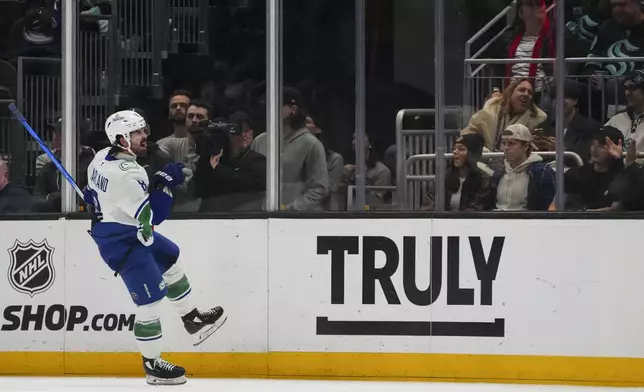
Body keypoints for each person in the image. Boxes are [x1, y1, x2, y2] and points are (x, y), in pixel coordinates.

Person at [83, 110, 226, 385]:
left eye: (143, 130)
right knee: (150, 302)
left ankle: (191, 317)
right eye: (137, 133)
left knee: (172, 257)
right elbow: (153, 218)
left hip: (123, 228)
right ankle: (152, 364)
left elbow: (90, 192)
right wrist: (165, 185)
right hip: (121, 242)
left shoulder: (100, 157)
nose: (144, 136)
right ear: (122, 139)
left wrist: (153, 183)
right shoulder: (129, 175)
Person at [421, 134, 495, 211]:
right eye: (454, 148)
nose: (455, 152)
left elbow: (475, 212)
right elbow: (428, 206)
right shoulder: (443, 178)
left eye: (461, 149)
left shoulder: (484, 182)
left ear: (472, 154)